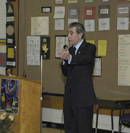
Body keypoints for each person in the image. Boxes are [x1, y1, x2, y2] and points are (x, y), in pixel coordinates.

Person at [58, 22, 97, 133]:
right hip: (69, 100)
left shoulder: (90, 48)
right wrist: (65, 61)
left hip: (83, 100)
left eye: (71, 33)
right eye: (68, 33)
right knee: (70, 129)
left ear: (80, 35)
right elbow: (65, 72)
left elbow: (85, 59)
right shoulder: (69, 50)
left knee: (83, 130)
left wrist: (70, 58)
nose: (68, 36)